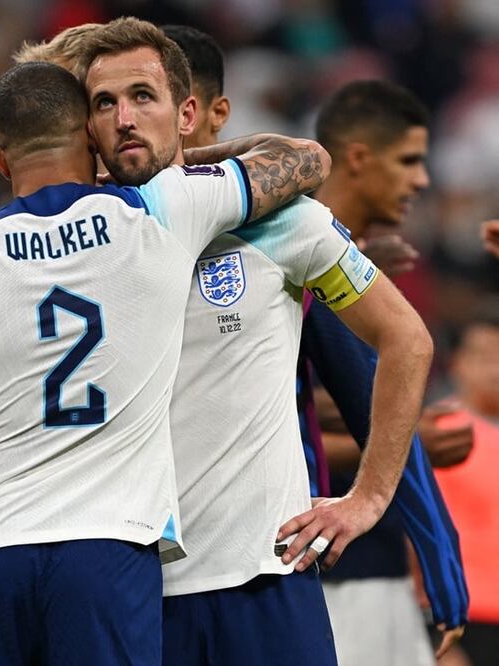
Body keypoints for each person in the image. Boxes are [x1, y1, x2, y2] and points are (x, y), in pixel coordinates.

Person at [0, 20, 434, 666]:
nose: (124, 119)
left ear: (187, 113)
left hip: (265, 575)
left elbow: (406, 339)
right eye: (103, 103)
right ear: (85, 127)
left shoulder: (282, 220)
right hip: (135, 589)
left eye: (142, 97)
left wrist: (368, 497)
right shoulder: (69, 249)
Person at [0, 29, 330, 662]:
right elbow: (304, 158)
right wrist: (186, 156)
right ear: (90, 138)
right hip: (107, 552)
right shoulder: (160, 210)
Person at [162, 27, 468, 659]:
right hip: (151, 566)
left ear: (211, 114)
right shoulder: (116, 236)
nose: (421, 180)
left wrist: (432, 545)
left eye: (161, 104)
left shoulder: (284, 235)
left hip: (277, 555)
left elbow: (371, 374)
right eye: (407, 161)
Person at [308, 79, 466, 665]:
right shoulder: (282, 259)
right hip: (327, 568)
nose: (421, 180)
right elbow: (286, 415)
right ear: (357, 157)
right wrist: (404, 440)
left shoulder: (363, 271)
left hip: (380, 562)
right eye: (408, 160)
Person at [433, 311, 499, 666]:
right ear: (457, 363)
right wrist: (431, 630)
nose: (495, 369)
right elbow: (413, 535)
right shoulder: (437, 435)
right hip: (463, 619)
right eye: (485, 356)